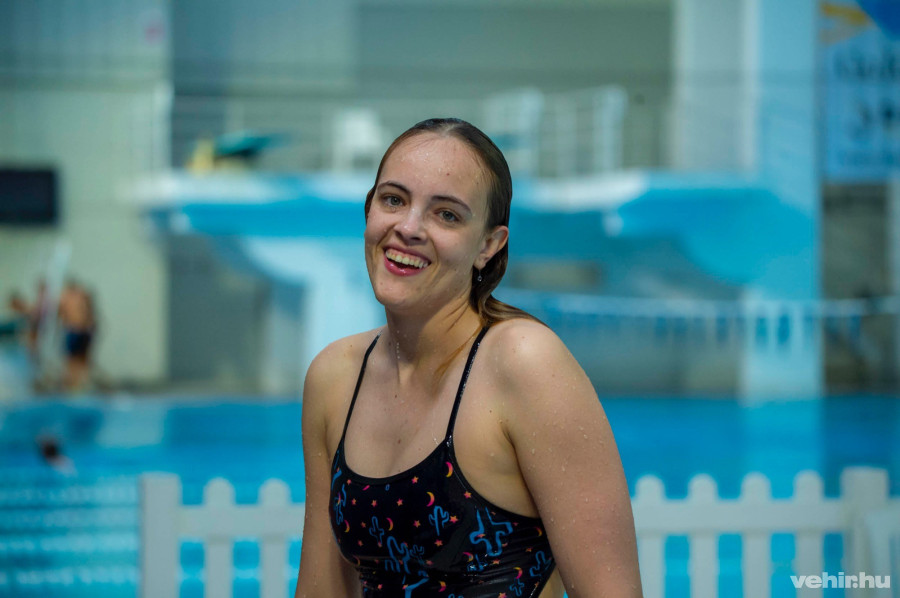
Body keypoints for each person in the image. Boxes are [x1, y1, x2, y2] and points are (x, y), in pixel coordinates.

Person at [294, 118, 642, 598]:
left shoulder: (523, 363)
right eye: (393, 200)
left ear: (488, 245)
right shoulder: (335, 377)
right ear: (369, 209)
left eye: (447, 215)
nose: (408, 228)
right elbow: (320, 589)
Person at [58, 280, 96, 391]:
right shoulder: (68, 298)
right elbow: (61, 314)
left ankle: (80, 382)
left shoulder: (80, 297)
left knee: (81, 359)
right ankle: (74, 383)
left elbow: (89, 314)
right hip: (74, 330)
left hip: (82, 331)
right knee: (73, 359)